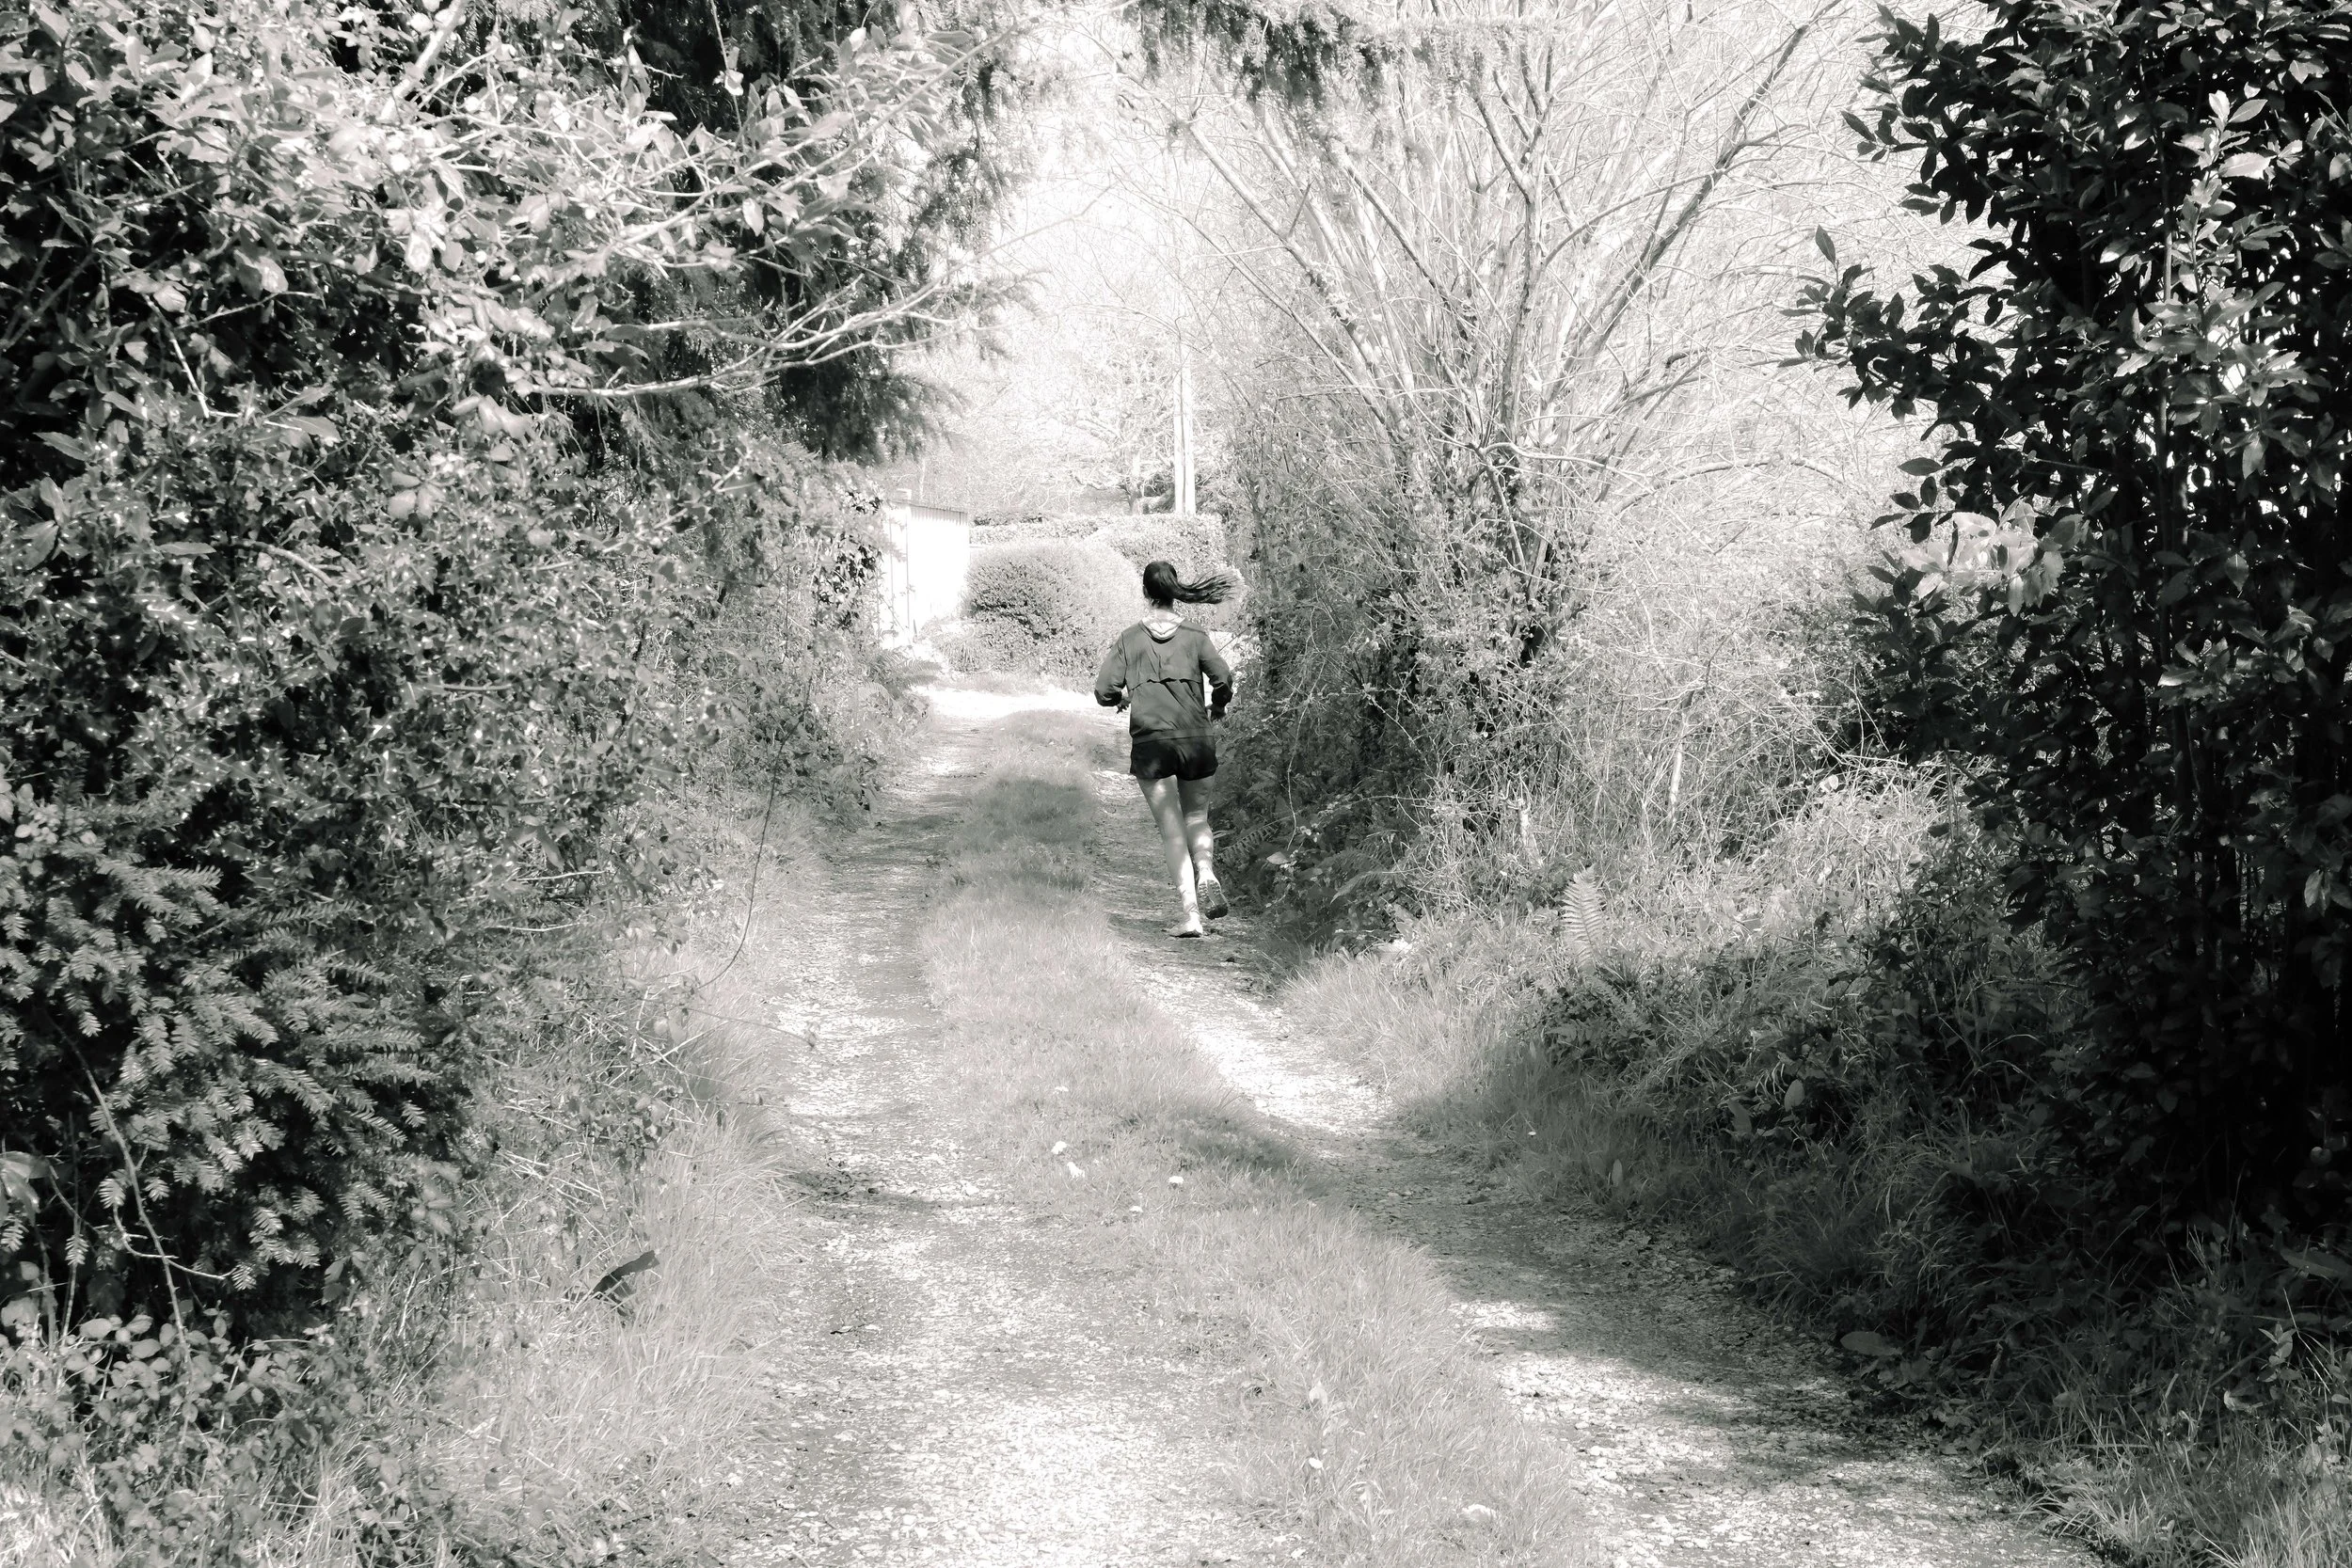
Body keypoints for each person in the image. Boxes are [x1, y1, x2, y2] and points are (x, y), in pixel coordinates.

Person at [1094, 560, 1236, 938]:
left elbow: (1103, 692)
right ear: (1174, 591)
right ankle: (1206, 871)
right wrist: (1217, 706)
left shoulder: (1130, 638)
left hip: (1153, 744)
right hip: (1196, 739)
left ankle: (1191, 916)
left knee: (1172, 831)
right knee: (1197, 818)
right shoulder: (1195, 634)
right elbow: (1223, 677)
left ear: (1146, 593)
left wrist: (1125, 696)